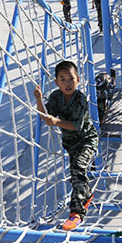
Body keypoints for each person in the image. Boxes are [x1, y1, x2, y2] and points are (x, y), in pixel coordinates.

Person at [33, 61, 98, 230]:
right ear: (56, 82)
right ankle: (87, 195)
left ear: (78, 80)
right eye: (62, 79)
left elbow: (76, 125)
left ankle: (76, 213)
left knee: (78, 168)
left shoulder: (80, 99)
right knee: (75, 174)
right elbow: (45, 116)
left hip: (87, 140)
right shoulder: (55, 97)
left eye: (71, 79)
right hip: (70, 143)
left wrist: (56, 122)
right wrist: (39, 100)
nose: (67, 83)